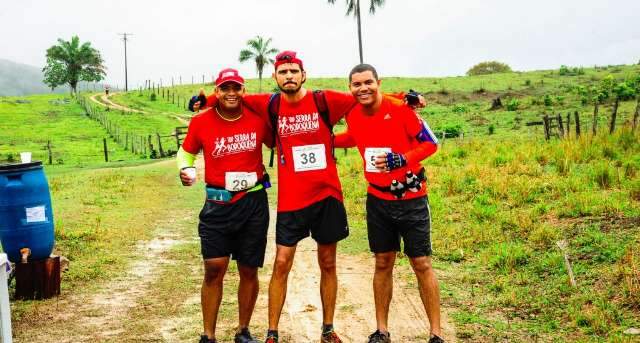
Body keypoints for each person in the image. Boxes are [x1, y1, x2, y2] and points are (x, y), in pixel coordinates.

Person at [334, 64, 444, 343]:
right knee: (383, 262)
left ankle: (436, 334)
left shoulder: (401, 109)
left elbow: (431, 144)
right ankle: (381, 331)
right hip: (378, 200)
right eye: (356, 84)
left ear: (378, 82)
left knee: (421, 263)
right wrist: (326, 141)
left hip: (412, 198)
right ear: (350, 88)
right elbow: (354, 137)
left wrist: (401, 159)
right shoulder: (353, 114)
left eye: (368, 82)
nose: (363, 88)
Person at [177, 68, 272, 343]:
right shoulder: (202, 121)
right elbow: (186, 151)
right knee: (214, 267)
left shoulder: (257, 118)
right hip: (217, 204)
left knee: (248, 269)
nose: (231, 93)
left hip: (253, 202)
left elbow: (279, 141)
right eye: (225, 88)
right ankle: (208, 335)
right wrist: (186, 168)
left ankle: (243, 331)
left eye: (237, 88)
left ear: (244, 91)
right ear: (217, 92)